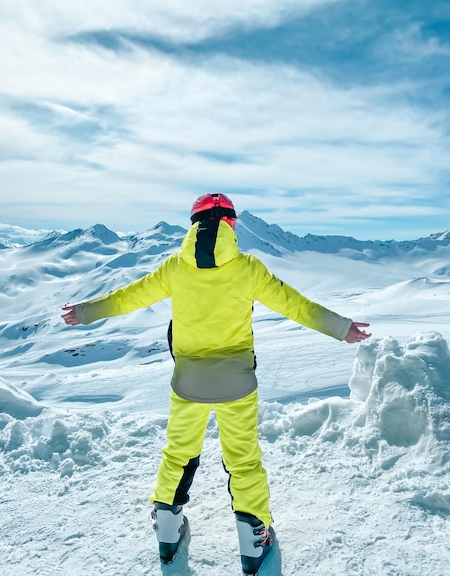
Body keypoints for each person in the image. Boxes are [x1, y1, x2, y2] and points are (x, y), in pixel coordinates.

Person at [61, 193, 371, 574]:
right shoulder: (248, 268)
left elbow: (130, 298)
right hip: (237, 383)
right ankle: (254, 539)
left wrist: (86, 311)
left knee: (178, 453)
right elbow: (296, 305)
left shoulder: (174, 268)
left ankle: (169, 532)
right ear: (230, 224)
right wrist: (342, 328)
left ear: (194, 225)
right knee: (243, 460)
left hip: (187, 381)